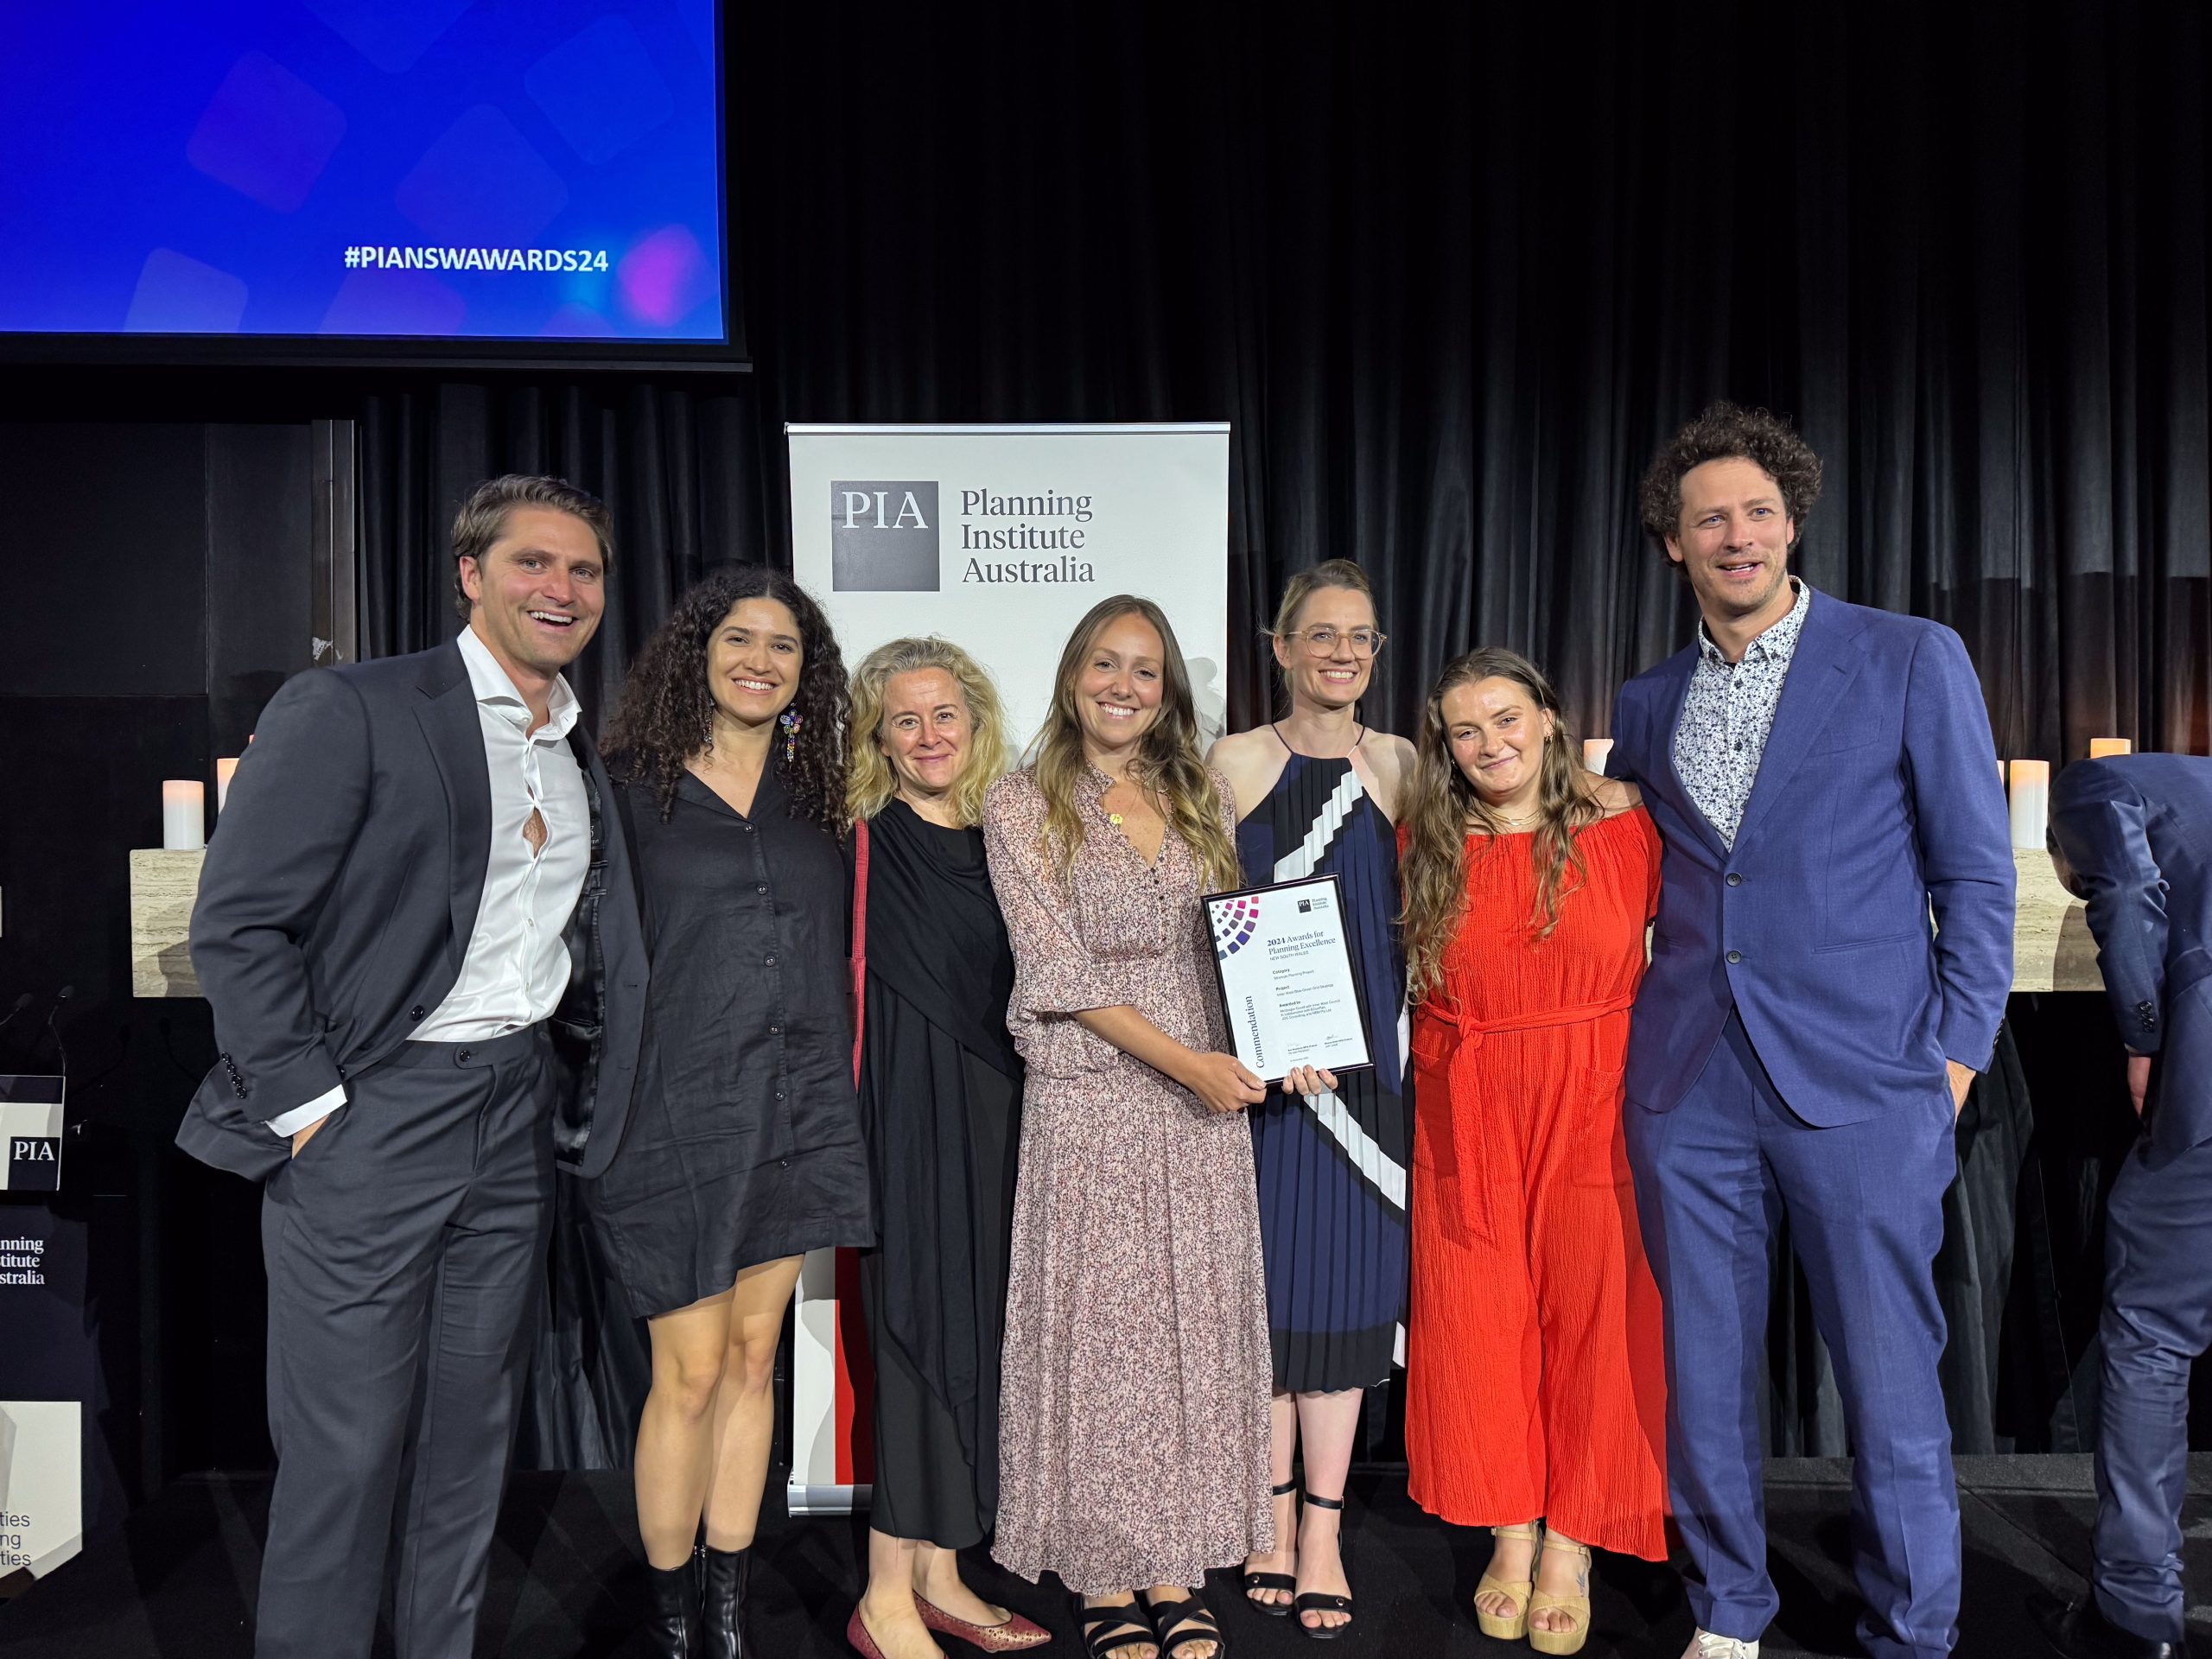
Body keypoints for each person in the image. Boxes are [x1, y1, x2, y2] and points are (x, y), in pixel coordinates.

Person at [176, 474, 648, 1659]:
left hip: (510, 1113)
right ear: (470, 575)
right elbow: (235, 921)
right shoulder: (355, 707)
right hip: (372, 1114)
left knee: (465, 1438)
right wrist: (309, 1105)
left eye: (583, 570)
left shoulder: (574, 741)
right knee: (345, 1451)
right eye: (533, 563)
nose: (563, 588)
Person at [1606, 402, 2015, 1659]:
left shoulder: (1906, 655)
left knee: (1892, 1382)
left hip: (1866, 1082)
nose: (1739, 536)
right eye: (1710, 518)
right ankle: (1730, 1608)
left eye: (1759, 512)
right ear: (1672, 543)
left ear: (1793, 523)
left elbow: (1976, 877)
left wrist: (1949, 1061)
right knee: (1706, 1374)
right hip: (1690, 1082)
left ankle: (1915, 1627)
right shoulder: (1648, 694)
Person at [589, 566, 873, 1658]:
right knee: (692, 1371)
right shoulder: (625, 791)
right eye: (739, 640)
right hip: (670, 1115)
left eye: (785, 646)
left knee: (758, 1365)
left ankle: (727, 1610)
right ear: (697, 655)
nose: (761, 661)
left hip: (797, 1113)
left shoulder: (826, 797)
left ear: (809, 673)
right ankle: (669, 1621)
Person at [982, 595, 1274, 1659]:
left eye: (1145, 670)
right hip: (1095, 1092)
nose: (1124, 685)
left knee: (1188, 1331)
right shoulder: (1022, 803)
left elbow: (1227, 945)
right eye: (1105, 664)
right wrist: (1186, 1065)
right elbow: (1055, 970)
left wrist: (1276, 1040)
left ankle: (1172, 1560)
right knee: (1105, 1341)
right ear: (1071, 678)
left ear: (1168, 692)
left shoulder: (1199, 794)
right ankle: (1106, 1575)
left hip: (1201, 1095)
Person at [1397, 647, 1668, 1656]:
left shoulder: (1631, 821)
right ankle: (1510, 1529)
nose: (1488, 745)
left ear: (1549, 717)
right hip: (1465, 1100)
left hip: (1600, 1092)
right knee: (1481, 1319)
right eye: (1464, 731)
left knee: (1598, 1315)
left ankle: (1574, 1539)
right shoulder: (1424, 834)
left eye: (1505, 719)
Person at [1206, 559, 1414, 1638]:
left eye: (1362, 637)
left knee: (1342, 1310)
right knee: (1271, 1311)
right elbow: (1193, 922)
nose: (1343, 653)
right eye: (1322, 635)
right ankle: (1266, 1519)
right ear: (1279, 648)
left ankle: (1321, 1536)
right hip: (1264, 1083)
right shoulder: (1232, 763)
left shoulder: (1407, 767)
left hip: (1369, 1082)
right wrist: (1254, 1043)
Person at [842, 638, 1048, 1659]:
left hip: (1002, 1112)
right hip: (905, 1109)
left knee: (975, 1332)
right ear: (878, 733)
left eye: (944, 716)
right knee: (913, 1331)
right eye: (904, 719)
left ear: (974, 722)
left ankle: (941, 1572)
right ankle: (884, 1594)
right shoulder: (857, 838)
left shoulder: (1009, 828)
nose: (928, 737)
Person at [2032, 753, 2212, 1659]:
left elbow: (2127, 892)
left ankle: (2137, 1612)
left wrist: (2142, 1038)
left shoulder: (2092, 786)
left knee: (2150, 1328)